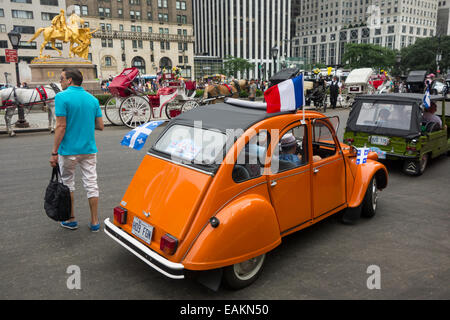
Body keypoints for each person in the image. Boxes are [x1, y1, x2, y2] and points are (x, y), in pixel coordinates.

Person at [49, 67, 104, 232]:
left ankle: (71, 219)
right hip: (88, 149)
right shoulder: (92, 99)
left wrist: (54, 152)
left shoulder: (61, 97)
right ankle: (94, 222)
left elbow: (61, 126)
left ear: (69, 80)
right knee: (91, 184)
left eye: (62, 78)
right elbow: (100, 126)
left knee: (68, 184)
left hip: (69, 151)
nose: (60, 81)